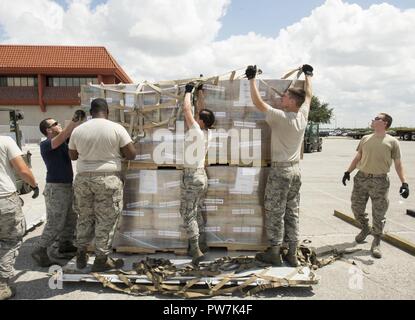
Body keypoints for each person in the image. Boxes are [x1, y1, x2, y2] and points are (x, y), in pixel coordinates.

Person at [245, 64, 313, 267]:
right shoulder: (303, 116)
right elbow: (308, 96)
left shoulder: (281, 117)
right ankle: (292, 253)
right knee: (292, 211)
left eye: (284, 97)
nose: (281, 98)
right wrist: (309, 75)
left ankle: (274, 252)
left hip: (281, 171)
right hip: (295, 171)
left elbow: (258, 103)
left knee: (275, 211)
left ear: (292, 101)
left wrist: (251, 79)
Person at [68, 98, 136, 272]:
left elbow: (73, 156)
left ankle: (81, 251)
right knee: (106, 220)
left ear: (91, 112)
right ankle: (100, 259)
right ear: (107, 111)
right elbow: (131, 154)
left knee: (84, 216)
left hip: (83, 179)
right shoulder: (116, 128)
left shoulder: (78, 130)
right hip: (107, 179)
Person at [342, 113, 409, 258]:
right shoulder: (365, 138)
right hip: (361, 178)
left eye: (377, 118)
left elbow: (398, 164)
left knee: (379, 213)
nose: (373, 120)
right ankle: (365, 228)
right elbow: (358, 157)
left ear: (385, 123)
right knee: (356, 207)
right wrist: (348, 172)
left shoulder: (392, 142)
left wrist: (404, 183)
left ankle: (377, 240)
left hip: (380, 181)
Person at [31, 110, 85, 267]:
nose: (59, 124)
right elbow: (64, 134)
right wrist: (74, 121)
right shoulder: (46, 144)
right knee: (56, 222)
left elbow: (71, 138)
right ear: (48, 130)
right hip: (56, 188)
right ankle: (40, 249)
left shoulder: (62, 142)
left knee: (71, 218)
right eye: (55, 124)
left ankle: (65, 244)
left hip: (68, 185)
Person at [180, 83, 215, 264]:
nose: (195, 117)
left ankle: (195, 250)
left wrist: (187, 92)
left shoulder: (196, 131)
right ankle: (202, 243)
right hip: (201, 175)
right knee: (197, 209)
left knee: (188, 213)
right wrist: (200, 92)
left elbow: (186, 110)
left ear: (200, 122)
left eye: (197, 117)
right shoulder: (208, 132)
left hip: (192, 176)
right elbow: (202, 111)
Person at [0, 135, 39, 300]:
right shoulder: (5, 141)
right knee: (10, 240)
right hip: (4, 199)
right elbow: (22, 170)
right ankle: (2, 285)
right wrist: (34, 185)